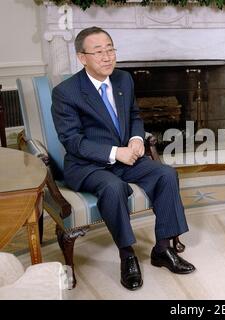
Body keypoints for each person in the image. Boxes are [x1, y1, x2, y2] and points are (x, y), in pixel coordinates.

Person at [51, 26, 195, 291]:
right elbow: (72, 141)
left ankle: (162, 249)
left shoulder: (123, 80)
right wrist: (117, 152)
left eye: (110, 49)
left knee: (166, 174)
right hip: (87, 165)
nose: (107, 57)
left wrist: (137, 140)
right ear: (82, 58)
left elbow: (135, 116)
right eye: (99, 52)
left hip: (127, 158)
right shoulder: (66, 92)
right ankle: (127, 255)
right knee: (113, 187)